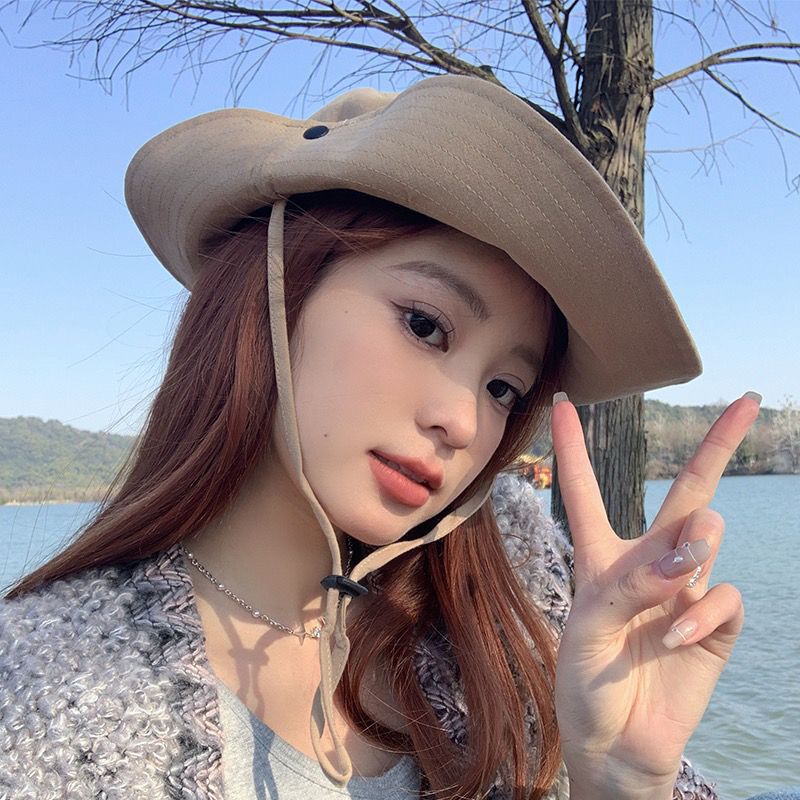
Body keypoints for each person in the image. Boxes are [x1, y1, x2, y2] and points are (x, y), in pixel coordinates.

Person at [0, 74, 786, 800]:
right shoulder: (44, 685)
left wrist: (621, 780)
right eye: (425, 325)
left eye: (503, 389)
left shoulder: (523, 608)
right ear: (272, 294)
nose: (464, 423)